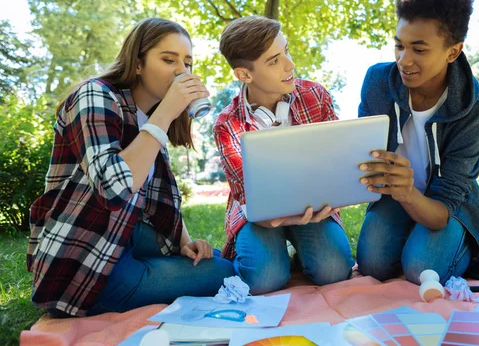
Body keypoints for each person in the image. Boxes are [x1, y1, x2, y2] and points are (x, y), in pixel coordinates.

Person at [27, 18, 235, 318]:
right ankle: (137, 281)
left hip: (124, 233)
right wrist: (165, 113)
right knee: (223, 275)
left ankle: (157, 271)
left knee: (211, 260)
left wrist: (185, 242)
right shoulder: (94, 96)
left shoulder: (147, 116)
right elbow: (113, 190)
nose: (181, 71)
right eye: (168, 59)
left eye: (187, 63)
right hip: (81, 257)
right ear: (137, 64)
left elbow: (153, 196)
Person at [355, 0, 479, 285]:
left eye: (419, 49)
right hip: (395, 196)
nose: (404, 60)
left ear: (452, 52)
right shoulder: (378, 83)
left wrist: (409, 192)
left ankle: (465, 242)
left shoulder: (473, 111)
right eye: (399, 46)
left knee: (421, 269)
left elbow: (442, 209)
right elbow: (361, 155)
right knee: (372, 265)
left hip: (448, 205)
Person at [214, 16, 354, 294]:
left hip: (313, 208)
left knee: (335, 271)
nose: (290, 65)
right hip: (260, 216)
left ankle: (301, 255)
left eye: (286, 51)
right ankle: (271, 256)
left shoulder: (315, 95)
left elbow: (338, 159)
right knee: (264, 280)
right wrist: (275, 219)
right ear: (244, 75)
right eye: (274, 60)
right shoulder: (228, 124)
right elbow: (247, 196)